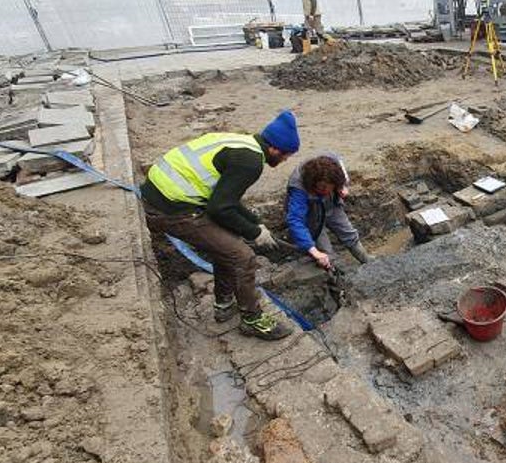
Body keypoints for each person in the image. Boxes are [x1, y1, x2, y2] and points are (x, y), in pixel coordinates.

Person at [140, 111, 300, 341]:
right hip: (171, 208)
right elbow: (219, 208)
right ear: (275, 148)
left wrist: (256, 223)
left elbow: (227, 200)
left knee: (227, 246)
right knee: (243, 256)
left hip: (164, 195)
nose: (285, 160)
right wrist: (253, 233)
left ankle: (224, 304)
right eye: (286, 155)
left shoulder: (243, 143)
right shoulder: (251, 163)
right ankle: (252, 320)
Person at [285, 153, 371, 270]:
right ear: (314, 183)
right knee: (323, 249)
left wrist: (342, 186)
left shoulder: (332, 162)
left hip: (330, 203)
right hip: (310, 211)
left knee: (347, 231)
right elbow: (295, 220)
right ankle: (335, 272)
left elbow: (341, 168)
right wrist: (314, 251)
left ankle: (367, 260)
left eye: (330, 187)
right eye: (323, 187)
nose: (327, 189)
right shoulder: (299, 187)